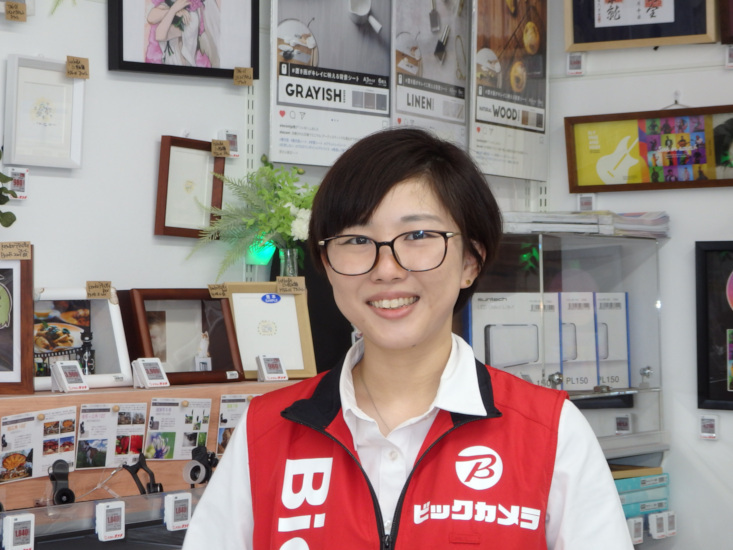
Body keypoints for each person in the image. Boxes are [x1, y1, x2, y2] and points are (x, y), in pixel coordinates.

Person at [182, 128, 632, 549]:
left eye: (418, 235)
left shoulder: (550, 432)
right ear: (325, 264)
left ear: (470, 261)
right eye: (356, 240)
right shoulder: (266, 431)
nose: (387, 269)